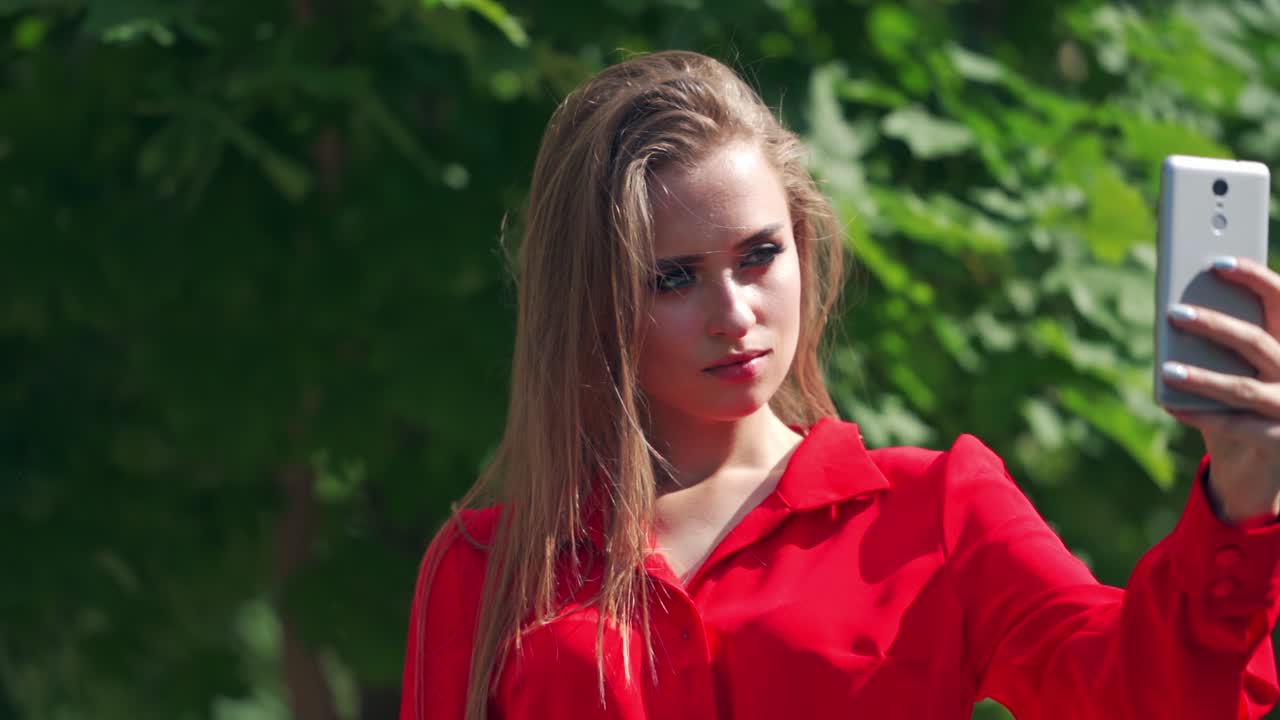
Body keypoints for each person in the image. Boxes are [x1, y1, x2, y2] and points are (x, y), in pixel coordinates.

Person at [399, 50, 1280, 720]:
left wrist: (1242, 506)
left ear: (803, 246)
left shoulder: (937, 510)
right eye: (674, 278)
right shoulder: (487, 568)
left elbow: (1145, 696)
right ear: (592, 300)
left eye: (758, 256)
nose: (735, 313)